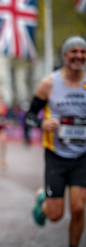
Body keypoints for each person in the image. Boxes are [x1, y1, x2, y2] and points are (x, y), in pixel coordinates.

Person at [26, 36, 86, 247]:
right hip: (56, 155)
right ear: (64, 56)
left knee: (78, 208)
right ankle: (42, 200)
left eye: (83, 52)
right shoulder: (49, 83)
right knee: (55, 215)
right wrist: (43, 124)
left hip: (82, 156)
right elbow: (29, 116)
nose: (79, 56)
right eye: (74, 52)